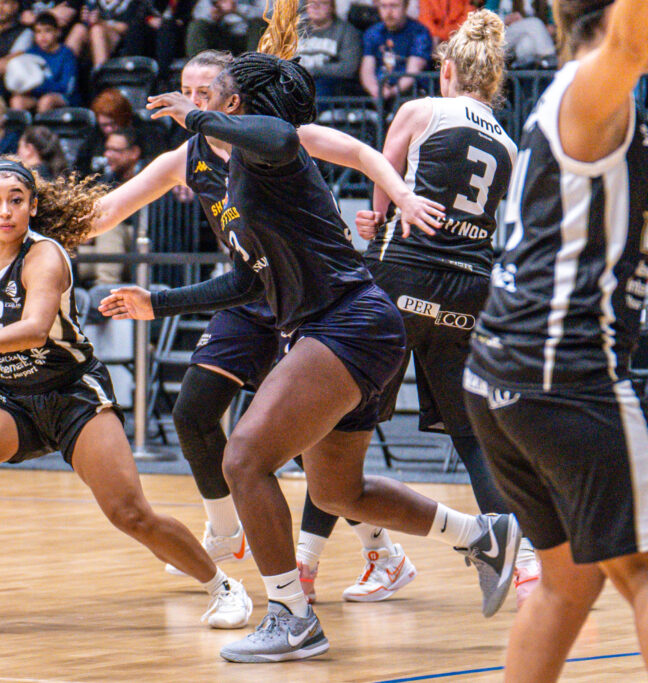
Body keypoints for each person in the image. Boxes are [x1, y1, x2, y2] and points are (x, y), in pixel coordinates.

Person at [101, 23, 519, 664]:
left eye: (220, 94)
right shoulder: (244, 171)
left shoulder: (275, 150)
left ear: (235, 105)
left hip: (345, 325)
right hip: (354, 330)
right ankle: (481, 535)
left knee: (244, 458)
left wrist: (195, 118)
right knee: (335, 493)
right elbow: (246, 278)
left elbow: (277, 132)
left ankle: (292, 616)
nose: (210, 101)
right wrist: (158, 303)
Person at [89, 45, 443, 605]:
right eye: (186, 91)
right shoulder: (189, 156)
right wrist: (43, 222)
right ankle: (229, 538)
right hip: (252, 290)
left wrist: (400, 197)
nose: (191, 102)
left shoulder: (279, 143)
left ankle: (366, 557)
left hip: (312, 299)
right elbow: (106, 212)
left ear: (232, 98)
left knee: (303, 451)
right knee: (198, 413)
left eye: (203, 94)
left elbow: (360, 152)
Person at [0, 157, 254, 630]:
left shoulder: (45, 255)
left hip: (74, 395)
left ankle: (224, 588)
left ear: (32, 206)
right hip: (15, 399)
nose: (5, 211)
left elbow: (36, 329)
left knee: (130, 514)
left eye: (16, 201)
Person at [463, 1, 648, 679]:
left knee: (571, 580)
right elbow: (631, 38)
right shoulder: (589, 89)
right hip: (562, 377)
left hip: (501, 380)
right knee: (642, 567)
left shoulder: (573, 105)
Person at [350, 8, 541, 609]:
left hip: (404, 271)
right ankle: (527, 558)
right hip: (470, 287)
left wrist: (374, 218)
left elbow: (384, 182)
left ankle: (333, 564)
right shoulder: (509, 143)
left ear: (450, 69)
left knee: (340, 419)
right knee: (471, 431)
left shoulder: (420, 110)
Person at [78, 127, 143, 288]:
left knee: (111, 226)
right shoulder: (105, 180)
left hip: (141, 242)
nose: (107, 155)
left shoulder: (147, 176)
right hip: (110, 248)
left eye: (115, 151)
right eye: (107, 149)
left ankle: (105, 289)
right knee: (69, 257)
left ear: (134, 152)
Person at [360, 0, 434, 101]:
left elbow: (412, 73)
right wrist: (375, 90)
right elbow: (367, 70)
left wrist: (391, 92)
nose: (389, 12)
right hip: (378, 91)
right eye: (383, 6)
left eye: (394, 6)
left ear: (406, 6)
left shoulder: (419, 33)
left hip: (411, 93)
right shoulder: (373, 33)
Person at [9, 12, 79, 113]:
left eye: (47, 31)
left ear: (58, 32)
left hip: (64, 97)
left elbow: (67, 87)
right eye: (38, 32)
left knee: (46, 101)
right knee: (17, 101)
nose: (42, 36)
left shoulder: (66, 54)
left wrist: (38, 86)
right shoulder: (31, 53)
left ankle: (42, 128)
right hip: (37, 96)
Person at [296, 0, 363, 97]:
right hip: (295, 79)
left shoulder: (347, 32)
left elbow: (348, 68)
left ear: (332, 7)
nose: (315, 7)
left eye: (322, 3)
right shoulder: (294, 29)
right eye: (311, 3)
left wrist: (313, 71)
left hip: (327, 84)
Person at [67, 0, 149, 67]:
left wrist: (100, 22)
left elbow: (126, 27)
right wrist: (86, 18)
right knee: (78, 29)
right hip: (89, 35)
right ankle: (61, 78)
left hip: (116, 39)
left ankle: (102, 82)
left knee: (97, 30)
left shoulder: (130, 2)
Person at [75, 87, 133, 176]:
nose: (109, 129)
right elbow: (79, 173)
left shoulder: (139, 136)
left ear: (124, 119)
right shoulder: (92, 141)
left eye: (113, 124)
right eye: (104, 125)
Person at [184, 0, 268, 58]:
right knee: (197, 26)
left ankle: (254, 67)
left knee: (259, 24)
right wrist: (213, 16)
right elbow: (198, 14)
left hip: (249, 37)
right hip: (223, 36)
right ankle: (200, 67)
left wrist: (237, 9)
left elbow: (270, 14)